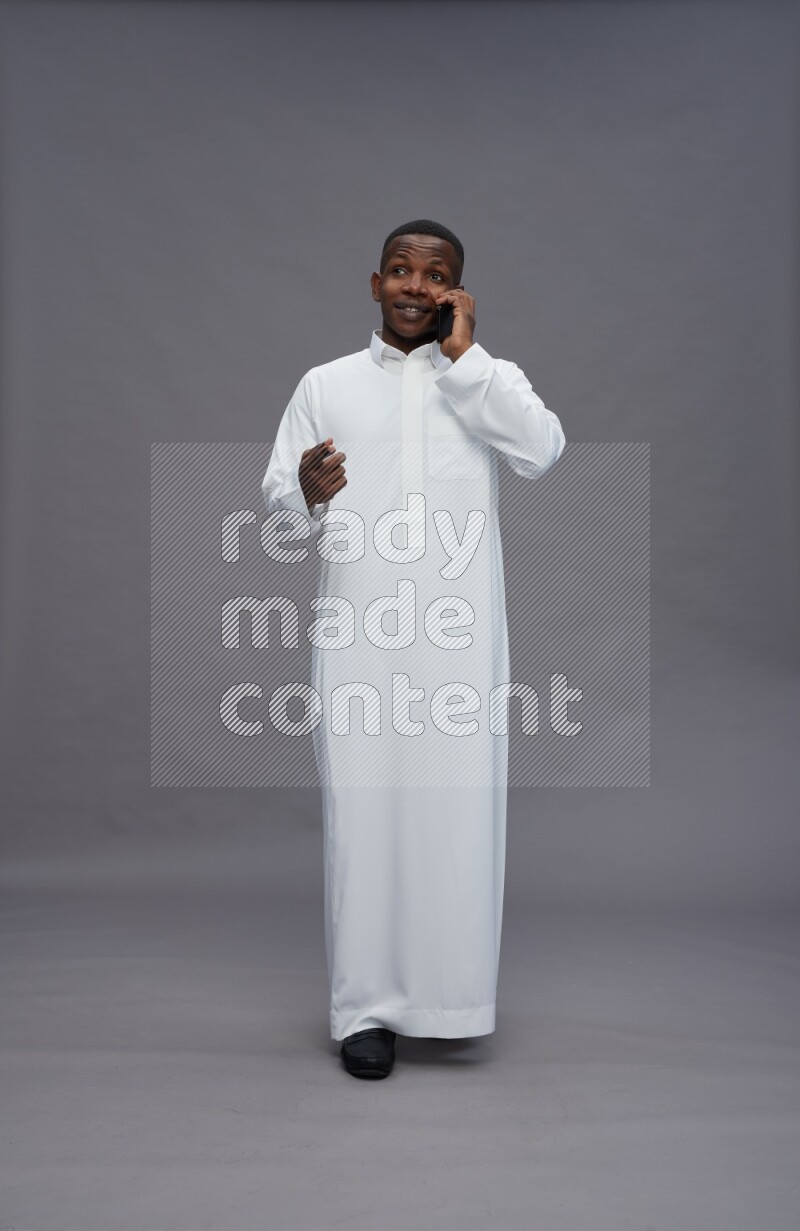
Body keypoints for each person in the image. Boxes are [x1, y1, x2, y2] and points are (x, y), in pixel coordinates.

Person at [261, 220, 565, 1079]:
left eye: (435, 275)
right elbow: (279, 503)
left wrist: (466, 359)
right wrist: (305, 494)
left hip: (459, 643)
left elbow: (543, 450)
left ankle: (450, 1000)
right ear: (374, 283)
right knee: (363, 818)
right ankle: (366, 1012)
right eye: (400, 269)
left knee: (457, 814)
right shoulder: (326, 384)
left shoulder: (484, 378)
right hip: (358, 633)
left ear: (457, 294)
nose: (414, 286)